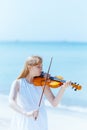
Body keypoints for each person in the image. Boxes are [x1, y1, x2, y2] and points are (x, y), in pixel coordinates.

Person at [9, 55, 71, 130]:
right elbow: (11, 102)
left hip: (40, 119)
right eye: (38, 67)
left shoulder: (42, 83)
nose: (41, 69)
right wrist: (26, 113)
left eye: (41, 67)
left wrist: (63, 88)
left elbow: (54, 103)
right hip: (25, 118)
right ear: (29, 67)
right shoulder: (18, 83)